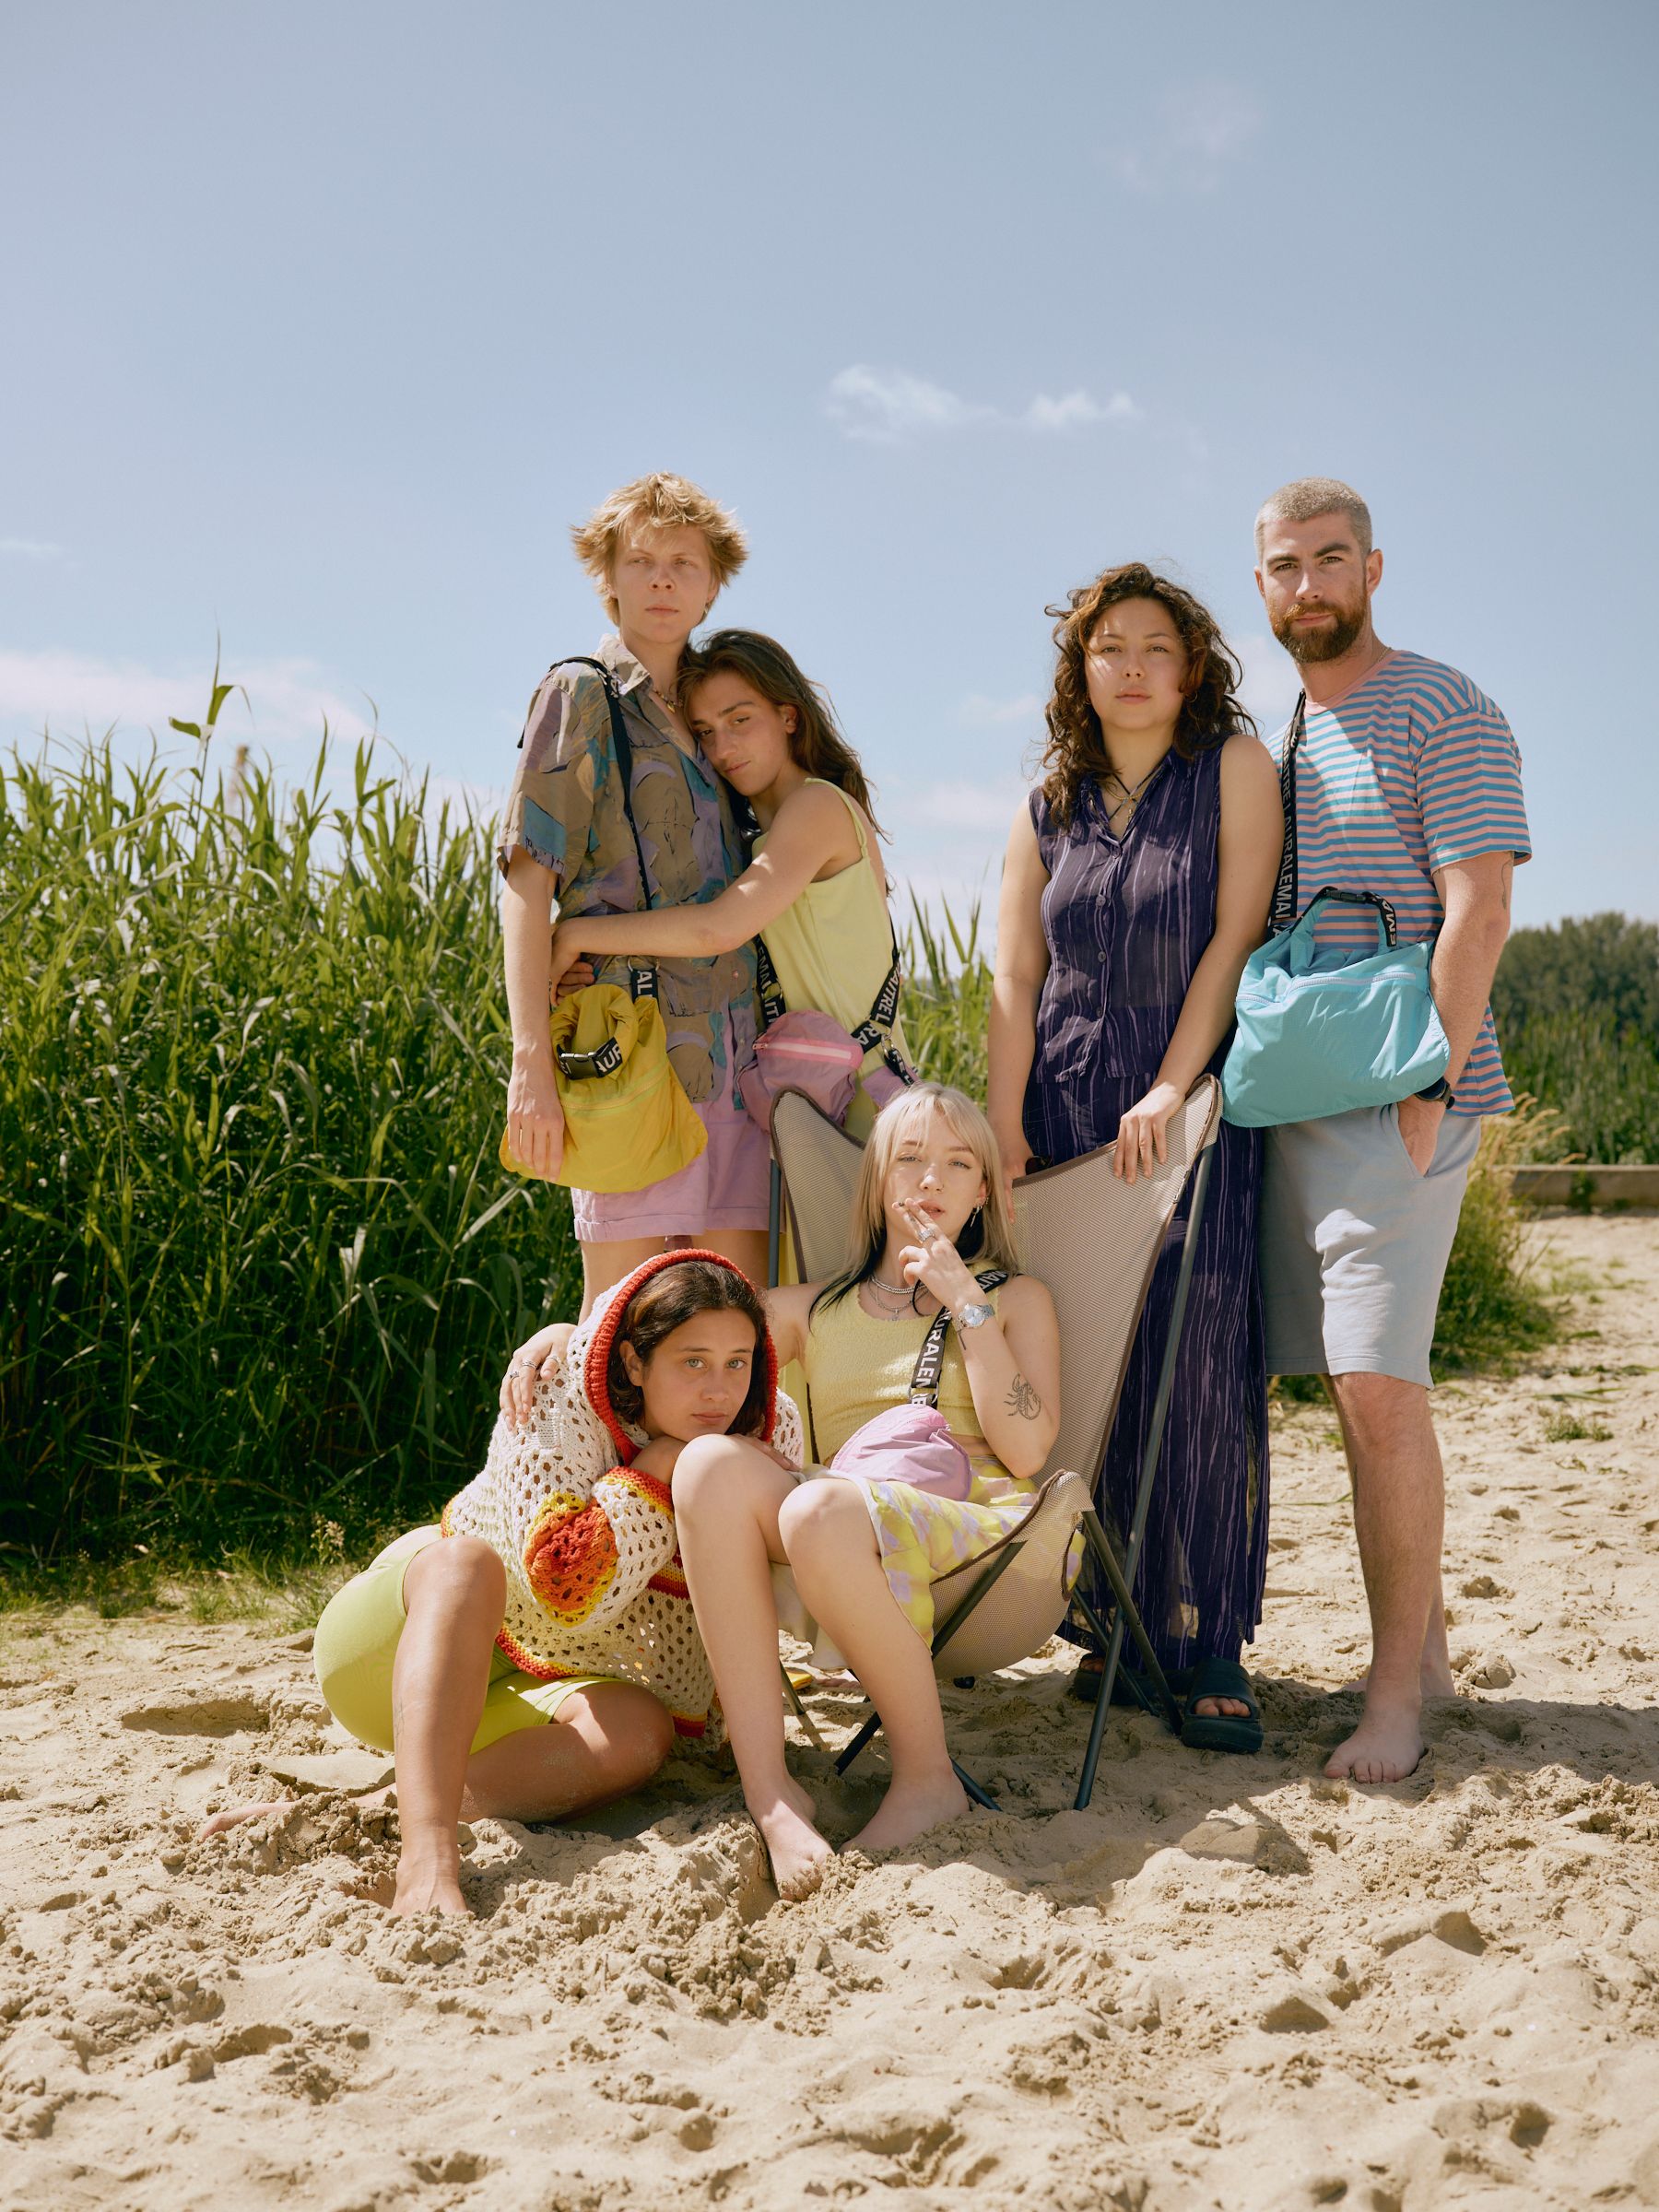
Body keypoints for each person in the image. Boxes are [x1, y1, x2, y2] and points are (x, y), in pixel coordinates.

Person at [204, 1253, 802, 1917]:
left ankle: (378, 1807)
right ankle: (427, 1857)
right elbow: (564, 1585)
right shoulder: (556, 1395)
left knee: (639, 1735)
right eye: (693, 1361)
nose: (719, 1391)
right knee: (469, 1563)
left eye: (737, 1362)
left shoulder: (768, 1430)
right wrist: (656, 1467)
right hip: (401, 1647)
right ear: (634, 1362)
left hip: (551, 1683)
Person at [1253, 476, 1530, 1785]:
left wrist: (1428, 1085)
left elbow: (1481, 910)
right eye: (1283, 566)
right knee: (1350, 1384)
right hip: (1300, 1096)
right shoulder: (1289, 732)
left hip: (1404, 1098)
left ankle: (1395, 1700)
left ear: (1373, 569)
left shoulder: (1443, 705)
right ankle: (1426, 1655)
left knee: (1376, 1385)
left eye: (1329, 559)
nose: (1306, 585)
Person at [988, 563, 1281, 1749]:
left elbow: (1234, 937)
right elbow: (1016, 972)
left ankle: (1209, 1639)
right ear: (1082, 667)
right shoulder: (1047, 802)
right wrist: (1003, 1117)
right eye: (1110, 647)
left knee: (1196, 1361)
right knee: (1093, 1357)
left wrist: (1173, 1083)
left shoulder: (1233, 768)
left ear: (1192, 666)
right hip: (1061, 1109)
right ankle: (1114, 1618)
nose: (1133, 667)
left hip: (1187, 1111)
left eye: (1157, 647)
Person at [500, 473, 770, 1312]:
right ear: (607, 577)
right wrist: (530, 1063)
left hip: (738, 1064)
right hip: (628, 1054)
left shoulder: (719, 712)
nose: (662, 581)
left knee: (732, 1325)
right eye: (642, 561)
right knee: (620, 1324)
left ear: (712, 585)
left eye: (684, 564)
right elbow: (526, 880)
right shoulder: (578, 693)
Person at [543, 629, 912, 1140]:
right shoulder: (755, 844)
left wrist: (575, 935)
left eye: (740, 720)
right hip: (815, 1107)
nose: (723, 748)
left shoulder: (818, 807)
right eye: (705, 732)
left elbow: (717, 929)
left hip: (870, 1107)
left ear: (788, 717)